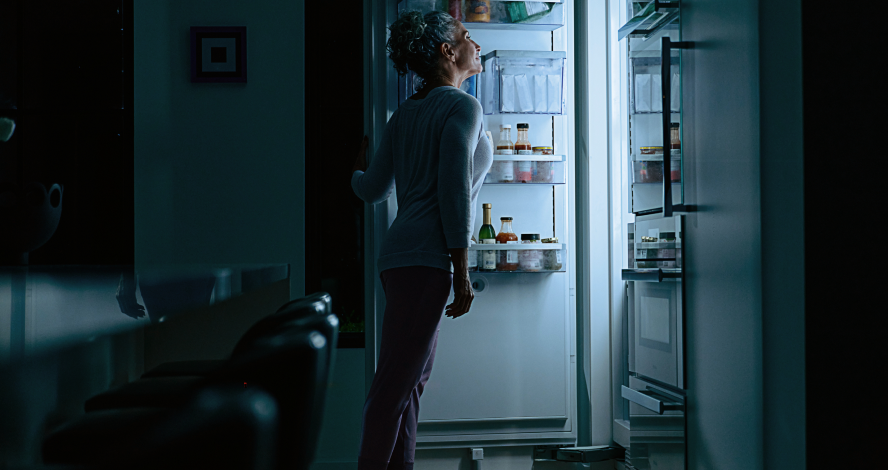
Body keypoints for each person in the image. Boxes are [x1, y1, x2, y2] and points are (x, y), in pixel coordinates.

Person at [349, 10, 492, 470]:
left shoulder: (405, 114)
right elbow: (453, 190)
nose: (477, 44)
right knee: (394, 384)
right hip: (427, 258)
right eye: (467, 36)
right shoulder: (461, 106)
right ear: (448, 52)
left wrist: (355, 170)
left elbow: (372, 190)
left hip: (398, 255)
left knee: (410, 381)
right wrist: (462, 271)